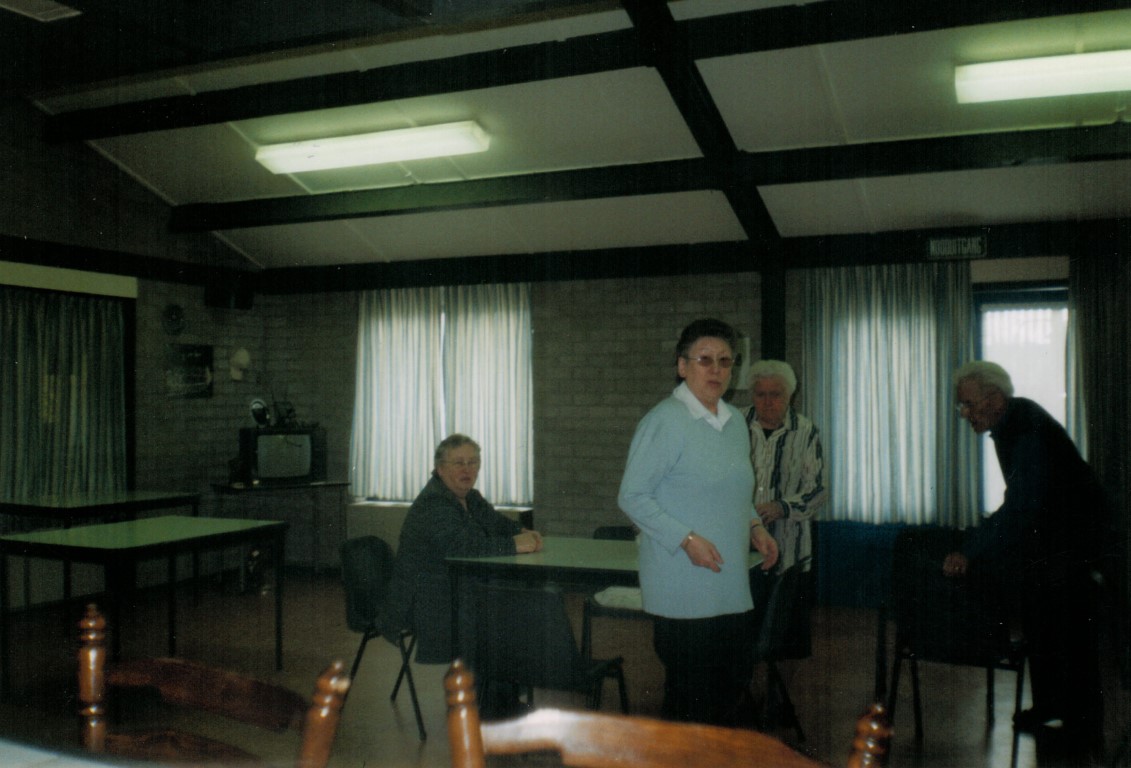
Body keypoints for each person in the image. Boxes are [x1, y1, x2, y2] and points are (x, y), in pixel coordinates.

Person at [618, 318, 779, 726]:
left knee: (729, 691)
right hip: (682, 586)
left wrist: (755, 527)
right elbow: (632, 496)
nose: (716, 370)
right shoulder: (664, 421)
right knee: (691, 703)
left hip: (729, 583)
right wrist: (686, 539)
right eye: (704, 360)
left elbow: (734, 490)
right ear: (682, 365)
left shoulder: (734, 422)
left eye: (725, 361)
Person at [942, 361, 1110, 740]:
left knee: (1067, 627)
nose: (963, 413)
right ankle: (1051, 707)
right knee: (1041, 620)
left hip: (1076, 537)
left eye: (967, 404)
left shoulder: (1024, 425)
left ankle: (1081, 728)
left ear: (993, 399)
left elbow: (1022, 502)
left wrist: (970, 551)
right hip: (1053, 536)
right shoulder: (1010, 422)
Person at [381, 433, 543, 664]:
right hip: (424, 601)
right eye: (458, 463)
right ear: (440, 469)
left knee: (519, 600)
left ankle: (504, 675)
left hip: (451, 588)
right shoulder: (433, 502)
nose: (467, 469)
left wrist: (522, 531)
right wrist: (514, 544)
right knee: (514, 605)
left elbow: (497, 523)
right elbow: (460, 547)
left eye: (473, 462)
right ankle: (498, 676)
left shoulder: (470, 497)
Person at [741, 360, 826, 722]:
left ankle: (777, 699)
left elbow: (818, 490)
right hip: (741, 551)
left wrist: (782, 507)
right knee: (743, 631)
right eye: (760, 394)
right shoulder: (733, 426)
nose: (767, 402)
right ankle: (744, 698)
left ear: (791, 395)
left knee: (788, 638)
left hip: (790, 550)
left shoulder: (806, 432)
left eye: (775, 395)